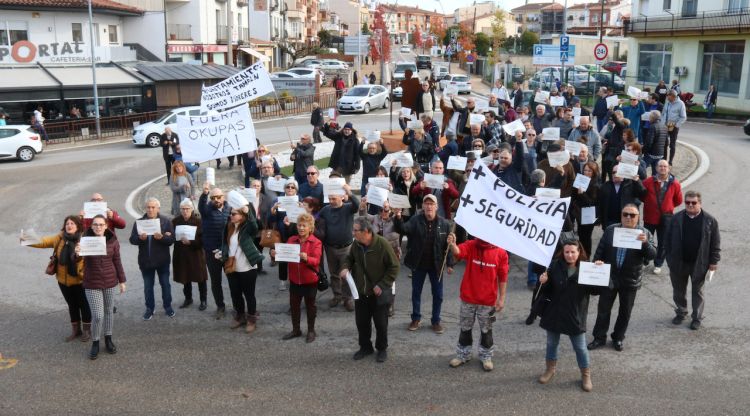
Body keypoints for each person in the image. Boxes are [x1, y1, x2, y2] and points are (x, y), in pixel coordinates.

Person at [589, 204, 656, 351]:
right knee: (603, 310)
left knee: (625, 312)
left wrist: (644, 243)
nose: (628, 217)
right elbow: (600, 250)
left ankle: (618, 338)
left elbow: (652, 255)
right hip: (610, 278)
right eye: (625, 214)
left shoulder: (644, 233)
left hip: (630, 279)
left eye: (632, 215)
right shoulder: (611, 230)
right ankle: (599, 337)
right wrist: (596, 263)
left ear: (638, 218)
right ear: (621, 215)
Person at [445, 233, 508, 372]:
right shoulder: (472, 245)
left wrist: (501, 298)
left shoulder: (501, 252)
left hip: (488, 300)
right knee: (465, 328)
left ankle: (486, 357)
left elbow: (503, 277)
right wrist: (453, 244)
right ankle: (463, 355)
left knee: (486, 330)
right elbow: (459, 252)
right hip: (468, 297)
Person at [536, 240, 593, 392]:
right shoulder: (554, 265)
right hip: (554, 312)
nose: (570, 255)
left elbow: (598, 290)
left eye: (573, 252)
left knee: (580, 347)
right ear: (563, 252)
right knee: (551, 344)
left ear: (579, 252)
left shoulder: (588, 268)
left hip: (575, 314)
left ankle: (586, 375)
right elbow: (546, 290)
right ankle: (550, 370)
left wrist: (600, 271)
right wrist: (544, 281)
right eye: (567, 252)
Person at [340, 217, 399, 363]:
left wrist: (382, 284)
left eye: (355, 230)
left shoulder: (382, 244)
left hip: (378, 293)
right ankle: (365, 347)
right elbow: (349, 258)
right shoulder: (356, 245)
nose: (352, 233)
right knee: (362, 322)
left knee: (381, 323)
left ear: (366, 231)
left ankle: (382, 348)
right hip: (361, 292)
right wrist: (345, 267)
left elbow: (394, 267)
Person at [23, 215, 90, 342]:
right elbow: (43, 241)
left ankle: (87, 331)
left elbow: (91, 259)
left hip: (80, 280)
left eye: (72, 223)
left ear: (78, 226)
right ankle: (76, 331)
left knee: (84, 305)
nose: (69, 226)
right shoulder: (59, 238)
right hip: (63, 281)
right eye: (67, 224)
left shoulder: (84, 240)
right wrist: (25, 238)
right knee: (72, 305)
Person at [394, 194, 451, 334]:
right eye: (426, 204)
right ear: (423, 206)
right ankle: (416, 318)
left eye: (432, 204)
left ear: (436, 207)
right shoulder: (415, 220)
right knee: (416, 292)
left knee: (438, 294)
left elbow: (448, 247)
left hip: (436, 265)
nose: (429, 206)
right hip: (418, 264)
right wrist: (398, 216)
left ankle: (436, 321)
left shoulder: (445, 224)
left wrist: (449, 264)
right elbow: (402, 229)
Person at [665, 191, 721, 330]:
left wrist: (714, 262)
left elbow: (715, 243)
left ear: (700, 203)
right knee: (678, 290)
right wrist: (670, 259)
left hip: (699, 263)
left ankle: (696, 318)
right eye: (687, 202)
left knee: (698, 292)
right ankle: (681, 312)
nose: (690, 205)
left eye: (693, 202)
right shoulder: (676, 219)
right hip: (679, 262)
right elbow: (667, 240)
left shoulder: (710, 220)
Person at [77, 215, 126, 360]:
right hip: (92, 283)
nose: (98, 227)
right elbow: (77, 259)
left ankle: (108, 338)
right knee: (98, 316)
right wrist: (77, 253)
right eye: (95, 225)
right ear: (91, 226)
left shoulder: (112, 240)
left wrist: (122, 280)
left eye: (101, 225)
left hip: (110, 281)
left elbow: (117, 261)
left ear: (106, 226)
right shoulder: (85, 240)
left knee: (109, 311)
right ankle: (96, 342)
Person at [276, 213, 322, 342]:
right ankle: (296, 330)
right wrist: (275, 254)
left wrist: (307, 258)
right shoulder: (291, 240)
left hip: (310, 281)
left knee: (310, 307)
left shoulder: (316, 242)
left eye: (304, 226)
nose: (301, 228)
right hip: (295, 280)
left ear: (310, 228)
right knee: (294, 306)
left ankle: (311, 331)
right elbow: (283, 257)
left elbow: (316, 260)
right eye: (299, 225)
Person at [220, 203, 264, 333]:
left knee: (249, 295)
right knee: (235, 294)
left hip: (247, 267)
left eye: (234, 214)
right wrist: (221, 252)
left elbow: (255, 226)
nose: (231, 216)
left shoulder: (247, 227)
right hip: (231, 266)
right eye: (231, 213)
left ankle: (251, 319)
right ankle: (240, 316)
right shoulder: (229, 227)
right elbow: (225, 243)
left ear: (241, 216)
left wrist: (249, 212)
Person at [129, 198, 175, 321]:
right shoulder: (139, 222)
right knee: (148, 287)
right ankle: (150, 308)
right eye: (148, 207)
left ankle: (168, 306)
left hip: (162, 261)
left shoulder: (166, 222)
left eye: (153, 207)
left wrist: (162, 238)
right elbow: (132, 239)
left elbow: (171, 240)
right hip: (146, 261)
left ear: (158, 208)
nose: (150, 209)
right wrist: (140, 238)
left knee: (165, 285)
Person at [318, 182, 360, 311]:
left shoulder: (348, 208)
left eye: (334, 199)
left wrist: (350, 192)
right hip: (330, 247)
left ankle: (347, 298)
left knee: (346, 274)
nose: (331, 201)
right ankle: (337, 295)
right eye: (329, 199)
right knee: (334, 274)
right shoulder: (325, 210)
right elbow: (315, 218)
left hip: (346, 247)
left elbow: (357, 205)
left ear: (342, 197)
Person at [642, 160, 683, 275]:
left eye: (665, 166)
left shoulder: (675, 183)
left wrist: (667, 206)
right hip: (649, 216)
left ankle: (658, 263)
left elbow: (678, 200)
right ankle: (645, 260)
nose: (663, 168)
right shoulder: (648, 182)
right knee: (646, 240)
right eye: (660, 166)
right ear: (656, 168)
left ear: (669, 168)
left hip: (666, 218)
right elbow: (642, 196)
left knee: (663, 242)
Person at [198, 185, 231, 319]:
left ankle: (238, 307)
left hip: (228, 252)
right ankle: (220, 307)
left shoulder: (230, 209)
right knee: (216, 281)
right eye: (213, 198)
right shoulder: (206, 210)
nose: (216, 200)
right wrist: (204, 194)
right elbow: (201, 206)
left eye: (219, 197)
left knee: (233, 281)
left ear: (224, 197)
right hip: (212, 252)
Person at [172, 199, 208, 310]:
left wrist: (191, 242)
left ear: (192, 209)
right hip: (181, 255)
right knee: (185, 278)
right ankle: (188, 298)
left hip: (195, 255)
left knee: (200, 279)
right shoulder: (175, 221)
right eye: (183, 209)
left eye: (187, 209)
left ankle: (203, 300)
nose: (185, 211)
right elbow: (171, 237)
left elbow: (203, 240)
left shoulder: (198, 222)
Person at [269, 179, 302, 291]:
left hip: (296, 232)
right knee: (283, 256)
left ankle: (295, 278)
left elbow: (304, 217)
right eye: (288, 187)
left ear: (296, 189)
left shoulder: (300, 199)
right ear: (284, 189)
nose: (290, 189)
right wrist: (273, 210)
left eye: (293, 187)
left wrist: (302, 208)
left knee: (296, 256)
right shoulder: (277, 200)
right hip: (282, 232)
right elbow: (272, 220)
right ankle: (282, 280)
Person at [598, 164, 646, 229]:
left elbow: (642, 193)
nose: (615, 174)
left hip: (627, 220)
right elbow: (600, 204)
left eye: (617, 172)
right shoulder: (605, 186)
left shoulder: (630, 184)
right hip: (610, 221)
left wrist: (637, 181)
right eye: (613, 172)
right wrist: (601, 220)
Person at [571, 161, 601, 257]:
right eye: (585, 170)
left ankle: (587, 255)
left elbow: (591, 203)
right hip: (580, 213)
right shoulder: (581, 179)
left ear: (594, 172)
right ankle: (582, 253)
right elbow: (575, 196)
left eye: (589, 171)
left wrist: (582, 193)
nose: (586, 172)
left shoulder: (595, 185)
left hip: (589, 215)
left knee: (586, 236)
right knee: (580, 234)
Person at [662, 90, 687, 165]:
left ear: (673, 96)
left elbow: (683, 117)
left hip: (674, 126)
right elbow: (663, 113)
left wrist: (676, 125)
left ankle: (670, 161)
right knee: (664, 143)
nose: (667, 97)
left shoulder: (680, 104)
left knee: (672, 145)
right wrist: (662, 123)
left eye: (668, 96)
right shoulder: (667, 102)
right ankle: (664, 160)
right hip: (665, 125)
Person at [643, 110, 668, 175]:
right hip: (660, 154)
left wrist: (643, 151)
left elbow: (649, 142)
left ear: (652, 118)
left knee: (641, 168)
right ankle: (654, 184)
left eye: (650, 117)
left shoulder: (652, 127)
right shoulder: (664, 126)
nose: (649, 119)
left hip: (651, 154)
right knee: (656, 173)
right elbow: (666, 143)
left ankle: (642, 183)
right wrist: (664, 156)